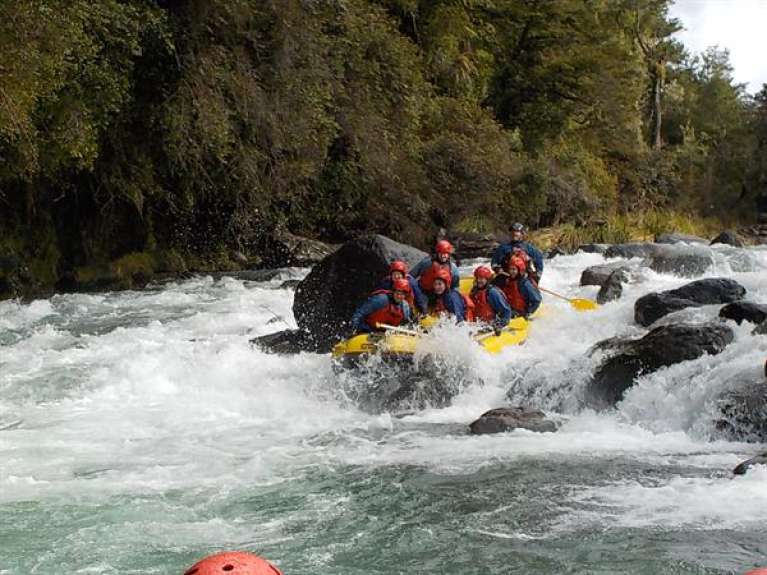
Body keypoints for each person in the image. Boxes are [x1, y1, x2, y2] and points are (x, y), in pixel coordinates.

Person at [470, 266, 512, 334]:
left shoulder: (492, 292)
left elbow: (506, 312)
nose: (478, 280)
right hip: (479, 325)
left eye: (481, 278)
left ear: (487, 280)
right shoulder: (474, 291)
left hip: (491, 326)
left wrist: (500, 325)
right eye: (477, 278)